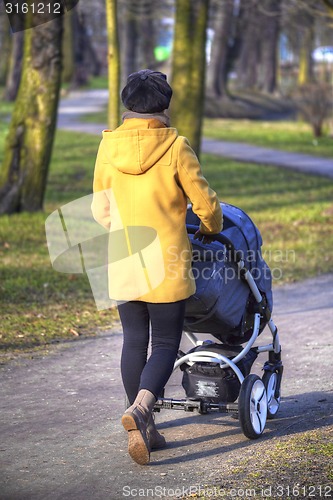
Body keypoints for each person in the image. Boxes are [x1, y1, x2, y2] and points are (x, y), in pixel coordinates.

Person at [91, 69, 223, 465]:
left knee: (134, 341)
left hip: (124, 257)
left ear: (128, 105)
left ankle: (145, 430)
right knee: (166, 343)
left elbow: (100, 209)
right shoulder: (176, 146)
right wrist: (209, 227)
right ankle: (143, 409)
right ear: (164, 106)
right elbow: (207, 204)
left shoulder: (108, 146)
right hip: (167, 262)